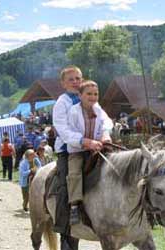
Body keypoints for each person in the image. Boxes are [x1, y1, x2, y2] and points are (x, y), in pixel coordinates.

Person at [66, 80, 112, 225]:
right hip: (78, 150)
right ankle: (74, 205)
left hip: (98, 147)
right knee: (74, 173)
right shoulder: (73, 111)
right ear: (80, 95)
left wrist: (105, 133)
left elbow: (107, 121)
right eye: (89, 94)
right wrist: (86, 142)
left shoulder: (98, 109)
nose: (93, 97)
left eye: (96, 94)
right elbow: (69, 134)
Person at [52, 65, 84, 249]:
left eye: (78, 78)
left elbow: (101, 118)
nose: (75, 82)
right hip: (68, 149)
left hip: (90, 146)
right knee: (65, 185)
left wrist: (104, 134)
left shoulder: (87, 97)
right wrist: (83, 141)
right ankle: (65, 233)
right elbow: (62, 130)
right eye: (70, 79)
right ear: (63, 84)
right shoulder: (61, 103)